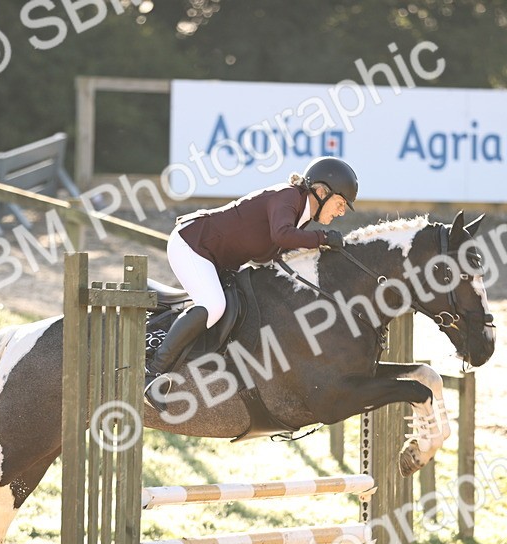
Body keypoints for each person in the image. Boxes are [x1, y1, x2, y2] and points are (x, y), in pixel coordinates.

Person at [145, 156, 359, 411]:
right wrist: (322, 238)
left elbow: (273, 252)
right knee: (213, 305)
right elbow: (281, 236)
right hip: (192, 244)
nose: (341, 211)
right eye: (340, 203)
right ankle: (152, 371)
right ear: (321, 191)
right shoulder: (288, 197)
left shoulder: (300, 215)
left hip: (214, 258)